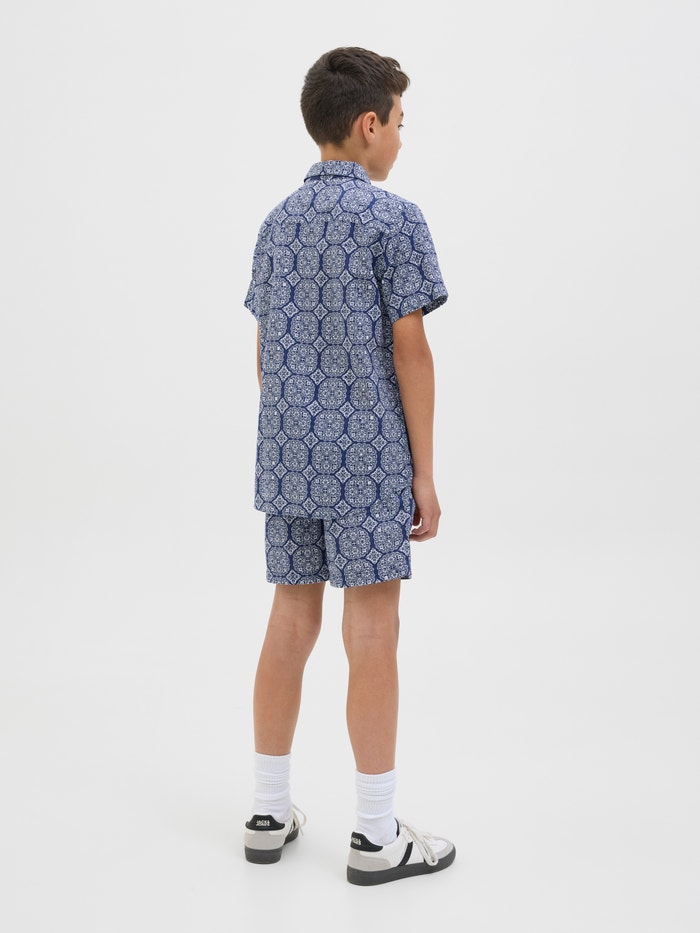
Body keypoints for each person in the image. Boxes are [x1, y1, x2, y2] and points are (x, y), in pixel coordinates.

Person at [242, 46, 455, 886]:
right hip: (368, 457)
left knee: (289, 621)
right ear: (368, 125)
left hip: (289, 453)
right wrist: (423, 472)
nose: (401, 136)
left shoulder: (276, 222)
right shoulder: (394, 219)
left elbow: (266, 356)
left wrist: (298, 429)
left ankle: (267, 811)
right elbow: (413, 351)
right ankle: (374, 832)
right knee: (372, 631)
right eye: (399, 121)